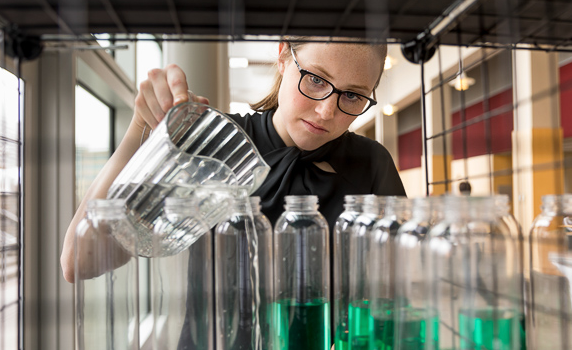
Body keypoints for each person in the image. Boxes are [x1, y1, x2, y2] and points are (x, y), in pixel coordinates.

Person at [61, 39, 407, 283]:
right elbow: (78, 262)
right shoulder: (215, 142)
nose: (326, 110)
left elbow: (399, 289)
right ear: (284, 56)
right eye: (315, 79)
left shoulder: (372, 164)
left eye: (352, 95)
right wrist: (142, 129)